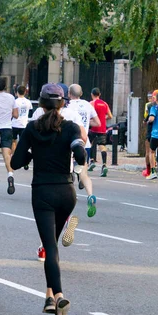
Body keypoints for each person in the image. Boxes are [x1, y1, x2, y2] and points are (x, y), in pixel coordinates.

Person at [11, 83, 87, 315]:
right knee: (51, 245)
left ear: (40, 104)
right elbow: (79, 149)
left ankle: (59, 296)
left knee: (50, 248)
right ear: (63, 103)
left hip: (43, 192)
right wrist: (78, 153)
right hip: (67, 193)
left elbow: (15, 161)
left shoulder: (32, 128)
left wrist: (32, 155)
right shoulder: (70, 127)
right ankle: (48, 297)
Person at [68, 84, 100, 217]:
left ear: (69, 94)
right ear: (81, 94)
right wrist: (86, 124)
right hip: (85, 143)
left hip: (70, 143)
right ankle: (90, 195)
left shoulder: (68, 107)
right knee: (84, 173)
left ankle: (69, 199)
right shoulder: (88, 105)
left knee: (68, 173)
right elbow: (97, 123)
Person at [88, 88, 113, 177]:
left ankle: (91, 160)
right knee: (102, 146)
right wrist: (103, 119)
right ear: (100, 94)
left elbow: (89, 115)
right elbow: (110, 116)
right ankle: (104, 165)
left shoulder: (92, 103)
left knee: (89, 143)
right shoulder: (105, 104)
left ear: (92, 94)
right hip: (102, 128)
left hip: (93, 127)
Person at [11, 85, 33, 154]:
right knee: (22, 141)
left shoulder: (15, 101)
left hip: (14, 123)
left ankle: (14, 154)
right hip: (24, 124)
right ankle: (22, 154)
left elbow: (12, 112)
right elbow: (30, 113)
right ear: (25, 92)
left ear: (17, 92)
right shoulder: (28, 102)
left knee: (13, 140)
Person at [142, 92, 154, 177]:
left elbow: (147, 115)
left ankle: (149, 170)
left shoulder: (149, 105)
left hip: (151, 130)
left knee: (149, 151)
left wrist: (145, 120)